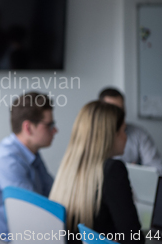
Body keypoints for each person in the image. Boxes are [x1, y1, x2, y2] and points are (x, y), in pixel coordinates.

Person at [49, 101, 144, 244]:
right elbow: (134, 238)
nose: (126, 137)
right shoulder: (112, 170)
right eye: (123, 131)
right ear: (110, 135)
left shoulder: (69, 166)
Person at [0, 92, 57, 244]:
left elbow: (53, 193)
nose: (55, 130)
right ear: (28, 128)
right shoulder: (7, 161)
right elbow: (34, 214)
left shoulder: (31, 153)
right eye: (49, 125)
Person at [98, 87, 162, 174]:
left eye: (121, 109)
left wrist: (138, 171)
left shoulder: (138, 133)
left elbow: (160, 168)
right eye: (113, 110)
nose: (119, 114)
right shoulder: (93, 138)